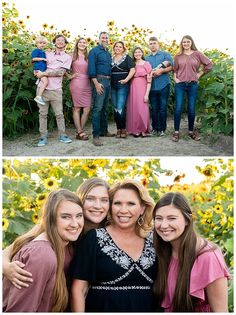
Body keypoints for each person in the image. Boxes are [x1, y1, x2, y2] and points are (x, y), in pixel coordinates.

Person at [2, 177, 110, 289]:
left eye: (104, 200)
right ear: (80, 200)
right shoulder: (57, 225)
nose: (98, 206)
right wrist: (6, 267)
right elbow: (11, 249)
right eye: (90, 199)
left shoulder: (110, 231)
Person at [71, 179, 157, 312]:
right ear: (111, 207)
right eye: (117, 203)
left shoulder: (154, 240)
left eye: (131, 204)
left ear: (142, 208)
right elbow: (79, 290)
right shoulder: (94, 238)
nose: (123, 210)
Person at [2, 189, 84, 312]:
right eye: (65, 217)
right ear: (50, 219)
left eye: (79, 216)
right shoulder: (41, 255)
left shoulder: (65, 245)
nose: (75, 224)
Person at [153, 192, 230, 312]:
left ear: (187, 220)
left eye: (171, 218)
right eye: (158, 218)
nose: (163, 225)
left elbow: (221, 311)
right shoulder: (162, 252)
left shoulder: (208, 256)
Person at [172, 35, 213, 142]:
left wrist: (200, 73)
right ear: (182, 43)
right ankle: (176, 132)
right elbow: (175, 69)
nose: (186, 44)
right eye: (184, 42)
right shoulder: (178, 56)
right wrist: (175, 79)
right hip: (180, 85)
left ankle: (191, 131)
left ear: (191, 43)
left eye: (188, 42)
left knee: (191, 108)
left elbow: (209, 64)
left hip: (192, 84)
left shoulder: (197, 54)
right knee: (178, 108)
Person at [35, 34, 73, 147]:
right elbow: (38, 63)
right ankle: (42, 137)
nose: (60, 42)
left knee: (59, 114)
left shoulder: (67, 57)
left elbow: (60, 73)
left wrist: (44, 73)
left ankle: (62, 135)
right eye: (58, 40)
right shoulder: (47, 54)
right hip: (42, 87)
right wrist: (36, 71)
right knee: (42, 114)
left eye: (62, 40)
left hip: (56, 89)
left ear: (65, 44)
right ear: (54, 42)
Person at [88, 31, 114, 147]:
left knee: (104, 108)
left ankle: (104, 131)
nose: (105, 40)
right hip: (99, 80)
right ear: (99, 39)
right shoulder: (94, 51)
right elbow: (91, 69)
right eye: (103, 38)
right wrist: (96, 84)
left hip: (108, 81)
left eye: (107, 38)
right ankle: (96, 136)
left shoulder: (108, 53)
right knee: (97, 108)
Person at [145, 36, 173, 136]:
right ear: (149, 45)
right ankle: (155, 128)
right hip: (152, 86)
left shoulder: (165, 55)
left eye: (154, 43)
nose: (153, 45)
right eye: (151, 43)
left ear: (158, 44)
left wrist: (161, 70)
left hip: (164, 85)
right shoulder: (146, 58)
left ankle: (162, 129)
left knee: (163, 108)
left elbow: (172, 67)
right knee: (154, 108)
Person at [111, 41, 135, 138]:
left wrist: (126, 80)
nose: (118, 48)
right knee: (115, 108)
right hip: (112, 85)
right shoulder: (111, 58)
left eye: (120, 47)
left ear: (123, 49)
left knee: (120, 107)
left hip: (123, 85)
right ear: (114, 48)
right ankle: (118, 129)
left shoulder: (127, 58)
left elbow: (133, 70)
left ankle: (123, 128)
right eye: (116, 46)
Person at [69, 38, 92, 141]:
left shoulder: (88, 57)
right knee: (77, 108)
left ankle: (79, 131)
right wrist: (69, 76)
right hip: (77, 83)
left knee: (87, 109)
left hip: (87, 83)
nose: (82, 44)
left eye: (84, 43)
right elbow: (62, 67)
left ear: (86, 45)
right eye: (80, 42)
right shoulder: (72, 55)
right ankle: (80, 132)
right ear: (77, 44)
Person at [126, 47, 152, 137]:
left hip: (143, 88)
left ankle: (144, 129)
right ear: (133, 54)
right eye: (135, 52)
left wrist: (147, 94)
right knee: (134, 109)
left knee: (143, 109)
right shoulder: (132, 64)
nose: (137, 54)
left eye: (139, 52)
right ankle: (135, 130)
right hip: (133, 88)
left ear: (142, 53)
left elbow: (149, 80)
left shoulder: (146, 64)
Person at [31, 36, 48, 106]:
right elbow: (33, 59)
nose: (42, 44)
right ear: (37, 44)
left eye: (44, 43)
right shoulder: (36, 50)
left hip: (42, 70)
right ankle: (38, 96)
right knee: (45, 81)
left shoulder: (43, 52)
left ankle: (39, 96)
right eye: (40, 43)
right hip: (39, 69)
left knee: (44, 81)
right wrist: (43, 59)